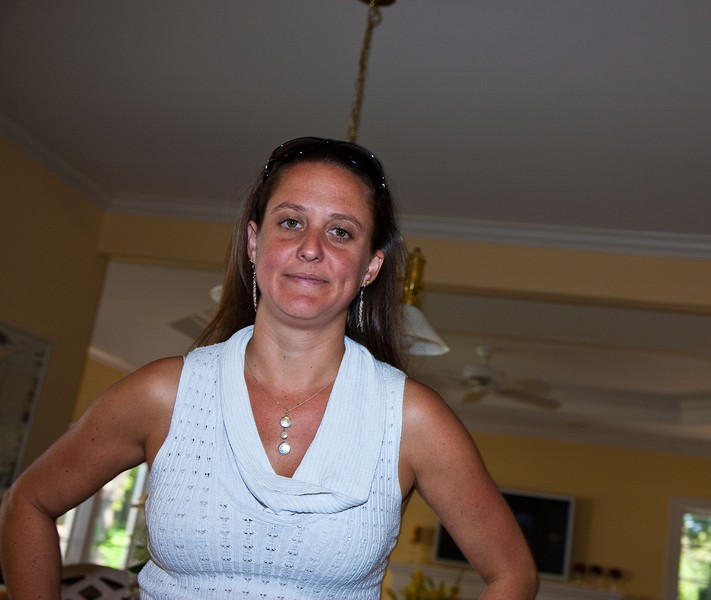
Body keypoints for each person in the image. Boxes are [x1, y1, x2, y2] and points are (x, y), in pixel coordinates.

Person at [0, 137, 538, 599]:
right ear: (255, 242)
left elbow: (512, 573)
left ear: (371, 266)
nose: (311, 248)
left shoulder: (412, 419)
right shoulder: (164, 393)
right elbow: (29, 502)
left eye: (341, 232)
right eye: (291, 222)